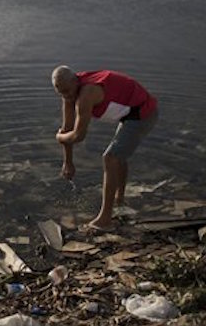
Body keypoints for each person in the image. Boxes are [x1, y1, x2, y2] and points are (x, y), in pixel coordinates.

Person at [52, 65, 158, 231]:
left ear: (75, 81)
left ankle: (105, 219)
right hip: (128, 113)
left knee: (111, 158)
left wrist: (58, 138)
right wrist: (68, 162)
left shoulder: (87, 94)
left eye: (68, 91)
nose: (67, 96)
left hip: (143, 113)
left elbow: (78, 135)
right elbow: (68, 129)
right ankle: (119, 200)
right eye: (62, 93)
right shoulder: (69, 92)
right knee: (118, 155)